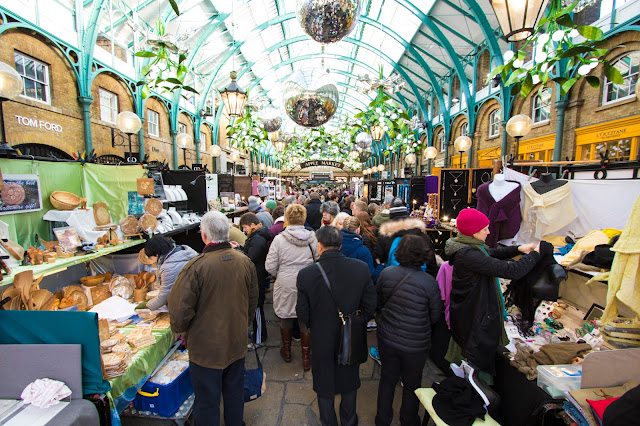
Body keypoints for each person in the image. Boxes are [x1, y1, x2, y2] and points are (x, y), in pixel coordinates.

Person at [168, 211, 258, 426]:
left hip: (206, 348)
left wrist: (182, 331)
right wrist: (243, 324)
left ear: (204, 236)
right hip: (236, 341)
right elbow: (252, 300)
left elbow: (180, 311)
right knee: (234, 392)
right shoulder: (244, 261)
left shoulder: (196, 267)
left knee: (207, 401)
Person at [445, 208, 539, 396]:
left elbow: (491, 254)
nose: (489, 232)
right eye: (485, 229)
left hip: (468, 312)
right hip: (472, 316)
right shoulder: (469, 254)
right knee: (473, 357)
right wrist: (536, 254)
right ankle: (473, 394)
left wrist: (519, 249)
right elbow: (510, 271)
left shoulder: (467, 247)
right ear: (474, 232)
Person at [296, 226, 377, 426]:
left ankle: (328, 422)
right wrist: (357, 323)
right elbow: (370, 304)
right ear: (340, 245)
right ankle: (349, 421)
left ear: (319, 246)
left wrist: (318, 325)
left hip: (322, 337)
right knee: (349, 381)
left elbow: (302, 312)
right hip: (351, 334)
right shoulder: (360, 268)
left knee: (324, 384)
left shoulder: (306, 274)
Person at [375, 235, 444, 426]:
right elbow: (435, 314)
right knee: (412, 383)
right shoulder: (429, 282)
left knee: (387, 379)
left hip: (388, 337)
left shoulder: (387, 273)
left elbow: (379, 302)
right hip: (416, 343)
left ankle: (382, 419)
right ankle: (408, 420)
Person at [265, 204, 318, 371]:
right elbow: (318, 258)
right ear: (304, 218)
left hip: (285, 282)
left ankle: (286, 352)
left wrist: (280, 274)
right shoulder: (312, 237)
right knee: (305, 317)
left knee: (286, 316)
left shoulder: (279, 239)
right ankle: (306, 358)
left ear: (287, 219)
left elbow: (270, 266)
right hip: (307, 281)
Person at [375, 197, 438, 277]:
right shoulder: (422, 236)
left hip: (392, 280)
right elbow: (432, 265)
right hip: (419, 281)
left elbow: (378, 260)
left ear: (391, 215)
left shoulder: (385, 236)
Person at [136, 235, 198, 311]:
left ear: (156, 255)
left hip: (188, 306)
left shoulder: (169, 268)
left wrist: (147, 305)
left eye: (151, 257)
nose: (152, 261)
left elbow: (165, 296)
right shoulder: (185, 252)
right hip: (198, 300)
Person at [239, 212, 273, 347]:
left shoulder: (257, 239)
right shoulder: (257, 237)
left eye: (245, 227)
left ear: (252, 225)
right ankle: (258, 336)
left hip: (257, 278)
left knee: (257, 308)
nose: (244, 230)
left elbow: (251, 257)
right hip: (258, 276)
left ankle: (259, 339)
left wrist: (239, 251)